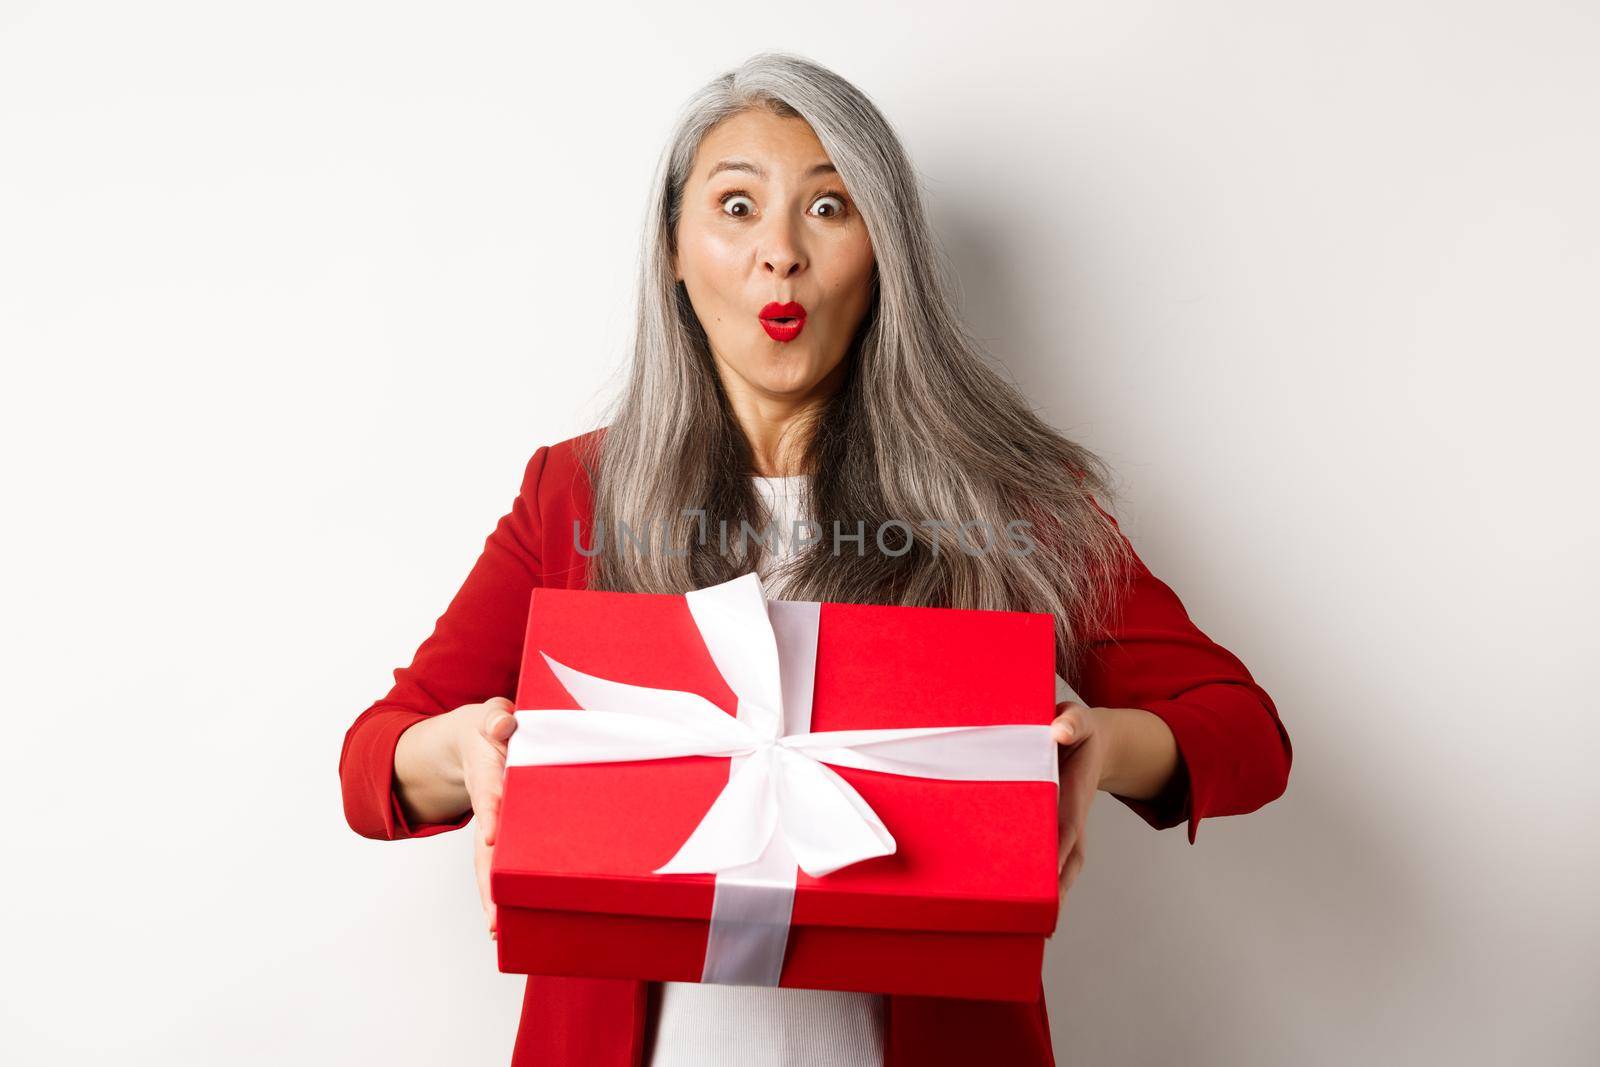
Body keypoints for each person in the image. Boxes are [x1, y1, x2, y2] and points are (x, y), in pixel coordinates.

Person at [338, 51, 1293, 1067]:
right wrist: (469, 751)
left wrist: (1099, 740)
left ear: (886, 250)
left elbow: (1244, 733)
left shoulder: (1010, 500)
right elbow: (373, 757)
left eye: (830, 208)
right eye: (737, 206)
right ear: (672, 247)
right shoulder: (574, 493)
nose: (779, 254)